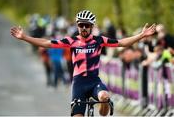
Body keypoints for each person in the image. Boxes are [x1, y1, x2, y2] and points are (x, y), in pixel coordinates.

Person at [10, 10, 156, 116]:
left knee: (105, 97)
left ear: (91, 26)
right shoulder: (71, 41)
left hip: (94, 81)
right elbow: (46, 43)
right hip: (78, 83)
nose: (84, 28)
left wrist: (142, 35)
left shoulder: (99, 40)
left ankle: (103, 111)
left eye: (87, 25)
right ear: (78, 26)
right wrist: (24, 37)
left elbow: (122, 43)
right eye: (81, 25)